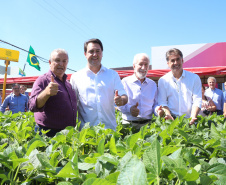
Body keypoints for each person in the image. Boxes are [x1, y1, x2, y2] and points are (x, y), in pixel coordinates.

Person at [70, 38, 128, 130]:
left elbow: (124, 96)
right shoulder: (76, 77)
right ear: (85, 54)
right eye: (91, 51)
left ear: (102, 53)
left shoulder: (112, 75)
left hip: (110, 131)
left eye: (98, 51)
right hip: (86, 133)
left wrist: (121, 100)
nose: (95, 54)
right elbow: (72, 105)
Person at [29, 49, 77, 137]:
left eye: (64, 61)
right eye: (57, 60)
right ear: (50, 62)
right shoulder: (42, 80)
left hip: (67, 133)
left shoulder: (68, 84)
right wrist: (46, 92)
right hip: (48, 133)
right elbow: (32, 106)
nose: (61, 64)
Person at [118, 53, 163, 129]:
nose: (143, 67)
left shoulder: (152, 84)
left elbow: (154, 104)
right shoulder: (125, 82)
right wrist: (130, 109)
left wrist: (157, 110)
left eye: (146, 64)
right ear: (134, 66)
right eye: (140, 64)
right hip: (129, 125)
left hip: (147, 126)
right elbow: (119, 104)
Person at [158, 48, 202, 125]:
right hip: (171, 121)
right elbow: (163, 102)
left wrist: (193, 116)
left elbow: (197, 101)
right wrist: (168, 115)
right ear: (168, 63)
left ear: (182, 60)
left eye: (178, 59)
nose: (176, 63)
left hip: (190, 120)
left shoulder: (194, 78)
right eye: (172, 60)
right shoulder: (163, 80)